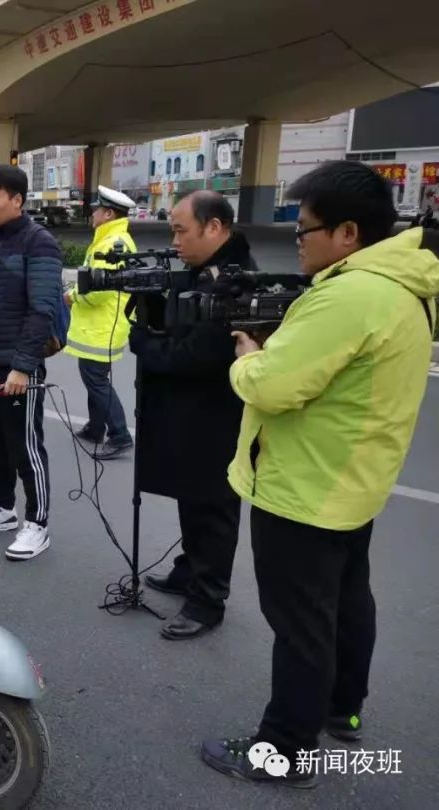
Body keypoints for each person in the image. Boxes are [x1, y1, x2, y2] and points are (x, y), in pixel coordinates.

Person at [201, 161, 439, 787]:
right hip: (355, 480)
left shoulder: (349, 295)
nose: (298, 240)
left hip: (304, 487)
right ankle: (343, 710)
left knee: (301, 624)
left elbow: (275, 387)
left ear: (348, 232)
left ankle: (285, 749)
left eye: (305, 229)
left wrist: (249, 355)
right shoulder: (408, 286)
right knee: (347, 603)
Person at [131, 190, 254, 639]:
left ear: (215, 228)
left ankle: (207, 601)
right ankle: (189, 570)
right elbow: (184, 326)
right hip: (194, 416)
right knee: (192, 498)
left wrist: (144, 342)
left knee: (213, 509)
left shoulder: (234, 281)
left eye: (181, 230)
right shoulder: (203, 274)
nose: (175, 240)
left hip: (216, 418)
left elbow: (195, 356)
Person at [0, 164, 62, 562]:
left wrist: (23, 365)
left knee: (25, 447)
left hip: (19, 368)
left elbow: (42, 310)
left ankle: (38, 523)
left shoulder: (40, 244)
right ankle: (3, 507)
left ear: (17, 200)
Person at [63, 185, 137, 459]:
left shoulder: (112, 243)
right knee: (93, 376)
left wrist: (72, 297)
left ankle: (119, 435)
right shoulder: (112, 239)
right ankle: (96, 428)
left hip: (102, 325)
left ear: (107, 213)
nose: (92, 214)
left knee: (95, 379)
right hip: (100, 325)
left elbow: (99, 290)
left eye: (96, 209)